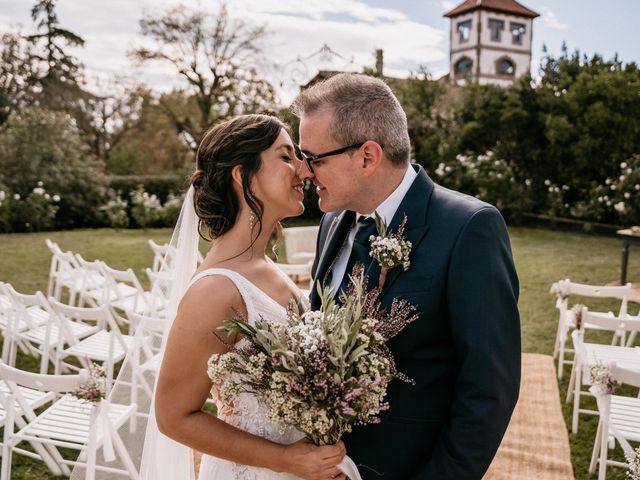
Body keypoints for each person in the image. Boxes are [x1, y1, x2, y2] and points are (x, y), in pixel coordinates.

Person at [292, 73, 521, 479]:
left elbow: (488, 391)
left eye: (314, 158)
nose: (304, 172)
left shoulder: (469, 228)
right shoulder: (332, 222)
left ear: (367, 156)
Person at [150, 114, 346, 480]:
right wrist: (285, 459)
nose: (306, 171)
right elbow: (173, 416)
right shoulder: (215, 290)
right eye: (287, 157)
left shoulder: (266, 266)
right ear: (242, 176)